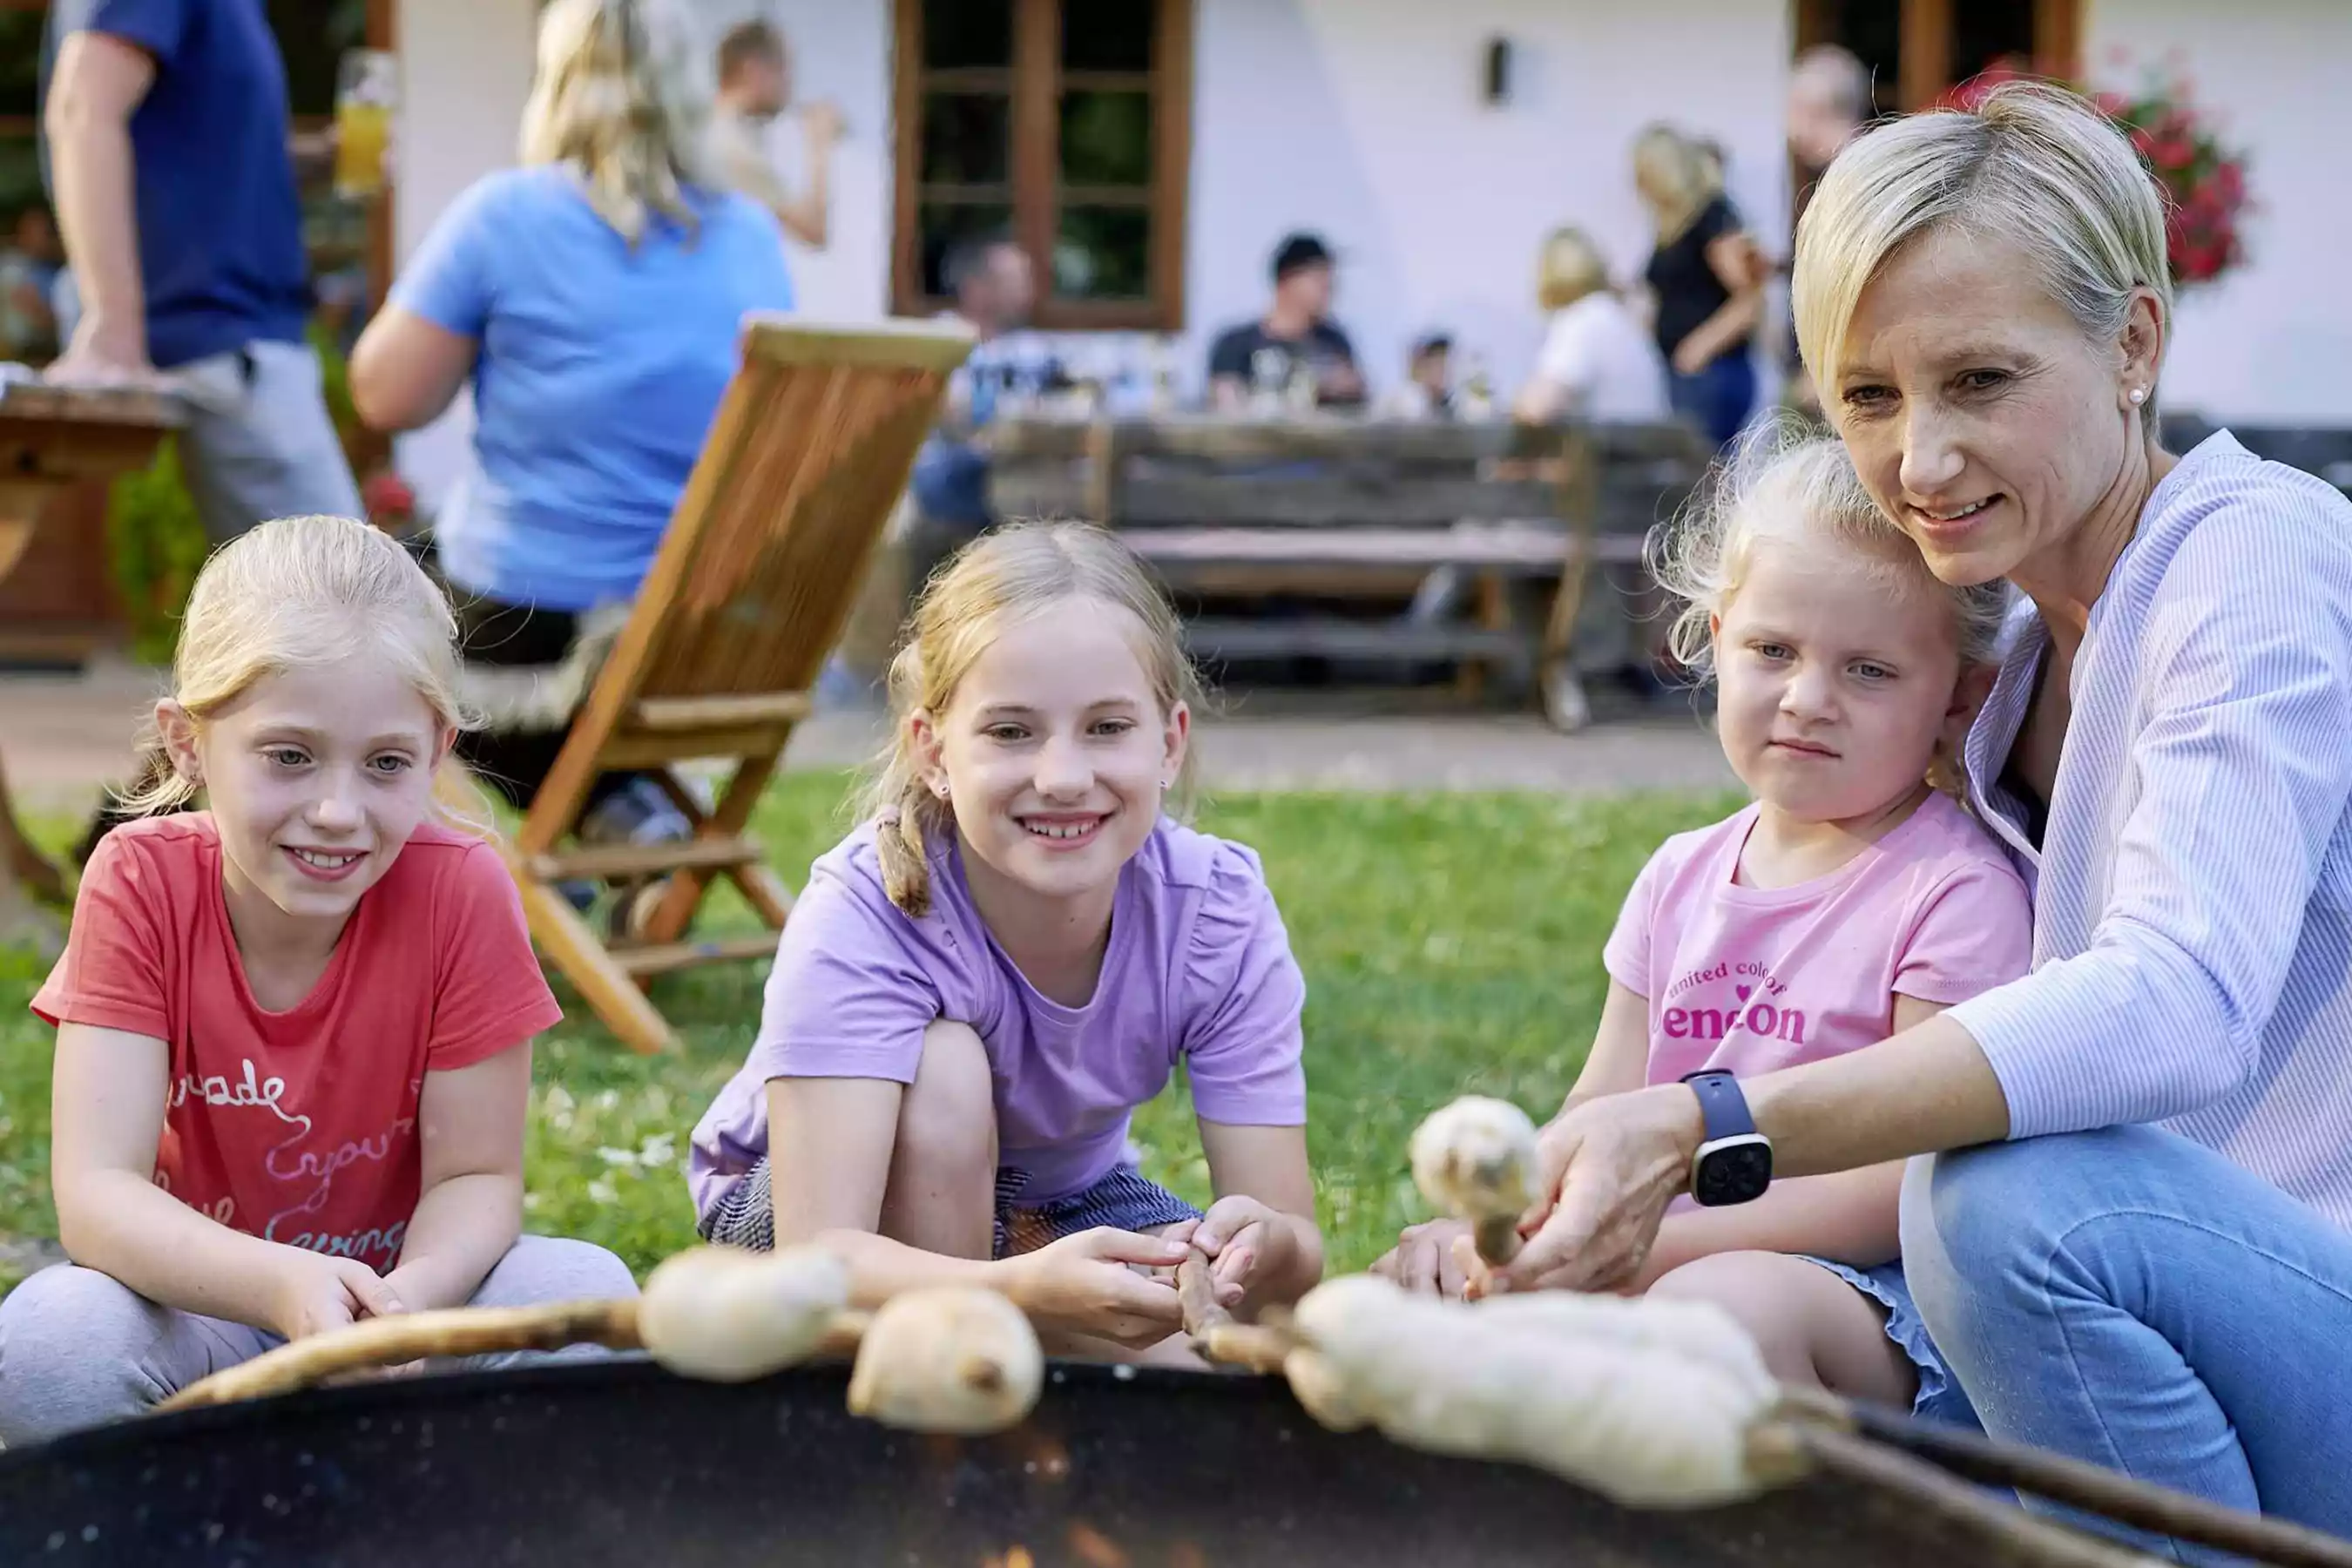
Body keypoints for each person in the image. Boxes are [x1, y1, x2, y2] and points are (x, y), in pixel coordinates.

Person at [1488, 83, 2352, 1558]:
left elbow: (2181, 1003)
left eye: (1982, 382)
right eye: (1870, 397)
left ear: (2134, 343)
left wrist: (1712, 1126)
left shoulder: (2255, 561)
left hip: (2297, 1309)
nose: (1922, 464)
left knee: (2002, 1208)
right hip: (2144, 1344)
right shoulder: (2008, 648)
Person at [1375, 429, 2026, 1426]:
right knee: (1417, 1325)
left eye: (1870, 671)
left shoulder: (1953, 893)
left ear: (1959, 700)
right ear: (1715, 637)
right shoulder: (1680, 876)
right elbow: (1601, 1102)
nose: (1809, 700)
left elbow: (1905, 1180)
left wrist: (1644, 1251)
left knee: (1714, 1314)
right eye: (1773, 651)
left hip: (1867, 1304)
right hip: (1661, 1263)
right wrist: (1499, 1235)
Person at [0, 515, 637, 1447]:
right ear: (187, 743)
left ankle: (448, 1525)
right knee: (49, 1343)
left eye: (386, 764)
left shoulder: (463, 889)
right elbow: (100, 1195)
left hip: (404, 1309)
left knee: (586, 1294)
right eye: (289, 755)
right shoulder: (140, 879)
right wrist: (281, 1285)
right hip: (201, 1311)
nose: (337, 812)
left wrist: (409, 1309)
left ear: (438, 747)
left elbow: (476, 1176)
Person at [688, 522, 1323, 1362]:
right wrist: (1022, 1294)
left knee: (1232, 1373)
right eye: (1011, 732)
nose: (1062, 776)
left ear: (1168, 744)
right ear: (933, 752)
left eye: (1106, 728)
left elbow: (1296, 1269)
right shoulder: (866, 911)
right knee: (947, 1065)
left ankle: (1012, 1357)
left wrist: (1255, 1242)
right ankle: (948, 1403)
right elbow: (820, 1255)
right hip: (806, 1232)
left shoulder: (1214, 912)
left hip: (1058, 1207)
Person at [348, 0, 794, 855]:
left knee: (333, 608)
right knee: (419, 566)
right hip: (695, 636)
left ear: (557, 83)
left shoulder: (507, 216)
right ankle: (623, 814)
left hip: (525, 637)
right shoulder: (751, 238)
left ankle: (609, 819)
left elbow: (385, 397)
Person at [38, 0, 363, 542]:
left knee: (306, 602)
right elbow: (81, 108)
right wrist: (111, 328)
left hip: (235, 341)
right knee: (345, 598)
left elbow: (208, 152)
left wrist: (321, 158)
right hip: (218, 339)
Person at [1632, 125, 1766, 447]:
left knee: (1706, 477)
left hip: (1713, 374)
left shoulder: (1712, 217)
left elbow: (1750, 301)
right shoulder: (1674, 226)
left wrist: (1699, 347)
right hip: (1689, 375)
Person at [1781, 45, 1871, 416]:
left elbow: (1854, 277)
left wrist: (1821, 367)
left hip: (1834, 376)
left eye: (1796, 109)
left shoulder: (1852, 178)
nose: (1790, 126)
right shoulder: (1840, 171)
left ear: (1822, 110)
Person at [708, 17, 842, 251]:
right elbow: (814, 230)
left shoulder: (703, 127)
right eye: (783, 70)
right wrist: (820, 144)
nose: (789, 86)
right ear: (753, 70)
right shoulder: (734, 148)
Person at [1514, 226, 1670, 424]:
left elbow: (1536, 408)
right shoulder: (1621, 320)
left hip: (1616, 453)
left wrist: (1515, 406)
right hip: (1649, 450)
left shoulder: (1582, 320)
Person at [1206, 233, 1365, 413]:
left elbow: (1356, 391)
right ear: (1285, 280)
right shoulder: (1236, 344)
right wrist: (1316, 389)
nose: (1328, 287)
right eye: (1318, 278)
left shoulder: (1334, 340)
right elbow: (1226, 401)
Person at [0, 206, 64, 362]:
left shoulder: (48, 266)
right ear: (22, 234)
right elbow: (32, 310)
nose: (42, 238)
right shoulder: (13, 266)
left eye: (45, 232)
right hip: (21, 351)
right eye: (35, 232)